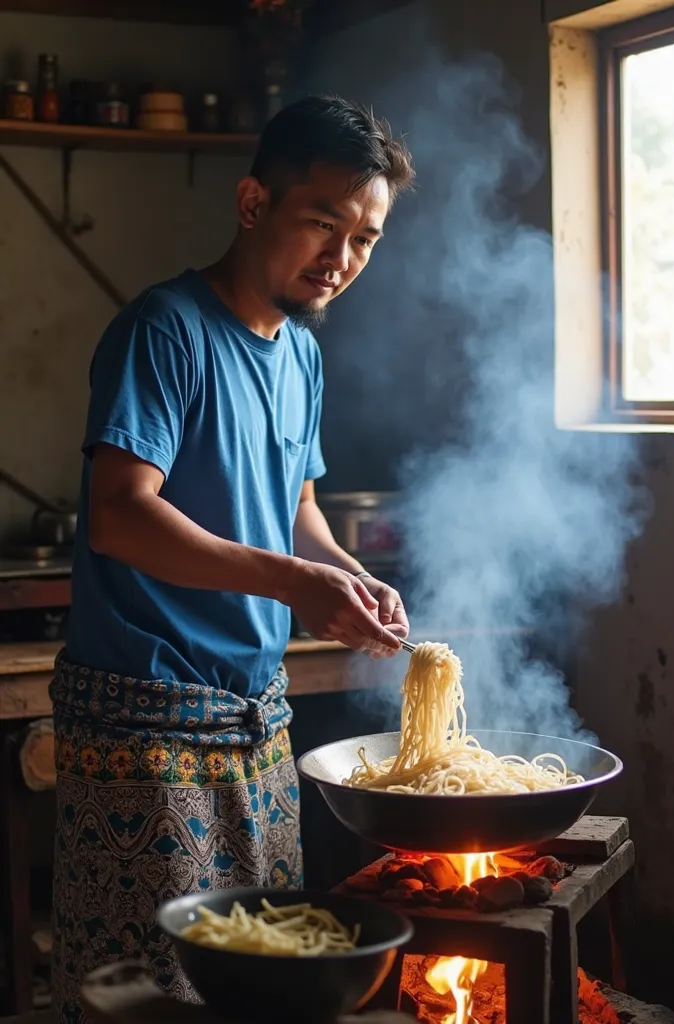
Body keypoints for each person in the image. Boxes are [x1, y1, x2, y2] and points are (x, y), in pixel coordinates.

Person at [49, 94, 415, 1021]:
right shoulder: (164, 330)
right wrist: (293, 583)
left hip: (254, 725)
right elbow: (121, 519)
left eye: (365, 238)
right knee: (151, 995)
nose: (341, 260)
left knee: (261, 981)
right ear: (254, 203)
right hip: (148, 727)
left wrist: (349, 575)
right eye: (321, 224)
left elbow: (298, 511)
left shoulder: (301, 356)